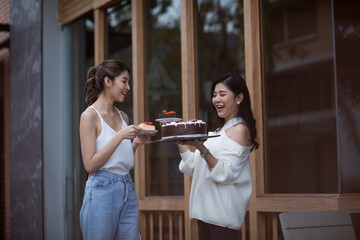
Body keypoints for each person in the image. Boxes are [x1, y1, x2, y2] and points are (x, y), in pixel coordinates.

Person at [176, 73, 259, 240]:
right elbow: (195, 167)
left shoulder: (240, 130)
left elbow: (226, 173)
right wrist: (179, 139)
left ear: (239, 97)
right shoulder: (218, 132)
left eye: (222, 94)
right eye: (214, 95)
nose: (216, 99)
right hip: (205, 213)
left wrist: (200, 146)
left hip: (223, 216)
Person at [79, 59, 151, 240]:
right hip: (102, 189)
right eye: (124, 81)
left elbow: (118, 160)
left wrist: (135, 143)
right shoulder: (89, 116)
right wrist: (120, 136)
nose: (128, 87)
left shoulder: (123, 115)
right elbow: (90, 165)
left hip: (127, 186)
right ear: (107, 81)